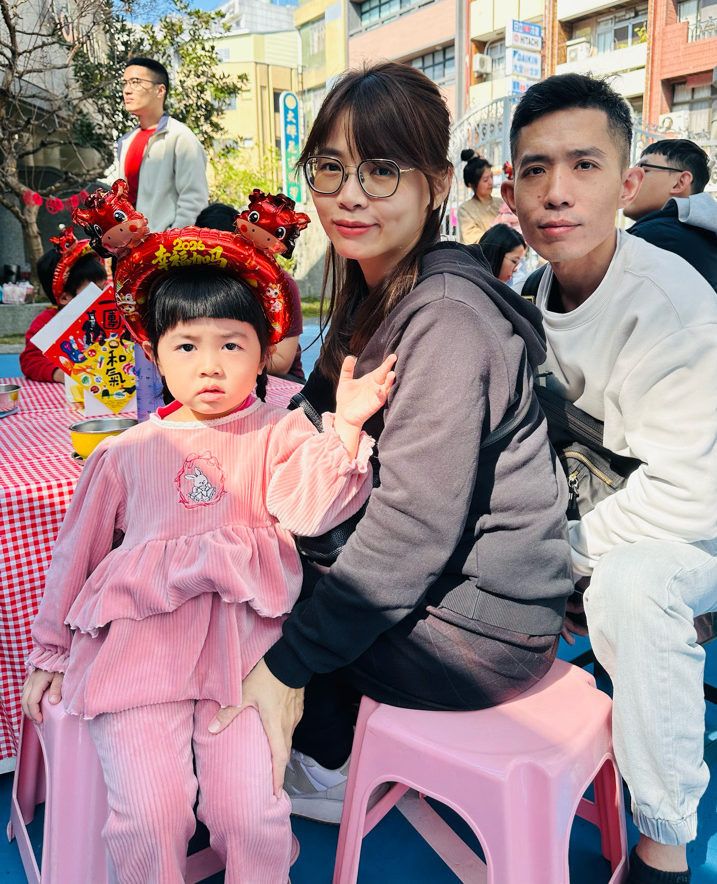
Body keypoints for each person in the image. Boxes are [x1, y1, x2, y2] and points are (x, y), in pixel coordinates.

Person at [207, 61, 573, 825]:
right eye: (330, 168)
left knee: (235, 601)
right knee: (225, 546)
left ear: (435, 185)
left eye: (380, 170)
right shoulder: (375, 291)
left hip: (480, 631)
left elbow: (411, 533)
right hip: (446, 593)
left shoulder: (446, 320)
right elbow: (311, 411)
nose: (349, 194)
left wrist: (286, 665)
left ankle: (325, 759)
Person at [22, 252, 393, 884]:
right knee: (151, 815)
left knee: (250, 814)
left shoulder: (280, 433)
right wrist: (52, 650)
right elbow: (75, 556)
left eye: (232, 344)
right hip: (141, 657)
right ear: (155, 355)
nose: (210, 365)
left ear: (264, 354)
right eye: (187, 346)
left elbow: (309, 510)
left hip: (246, 659)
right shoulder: (124, 452)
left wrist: (348, 428)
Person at [501, 72, 717, 884]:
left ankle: (663, 843)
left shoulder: (673, 307)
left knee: (633, 586)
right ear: (510, 192)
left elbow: (685, 500)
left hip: (702, 533)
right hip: (580, 511)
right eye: (536, 169)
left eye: (584, 165)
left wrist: (552, 557)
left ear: (627, 184)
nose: (557, 191)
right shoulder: (526, 293)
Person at [622, 139, 717, 309]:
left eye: (644, 169)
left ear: (680, 182)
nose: (628, 178)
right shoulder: (691, 234)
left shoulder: (656, 235)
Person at [195, 203, 306, 383]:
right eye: (210, 254)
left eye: (228, 251)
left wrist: (227, 356)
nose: (220, 262)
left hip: (278, 379)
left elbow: (281, 362)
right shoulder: (192, 282)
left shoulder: (277, 285)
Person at [117, 57, 209, 231]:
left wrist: (170, 241)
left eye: (135, 82)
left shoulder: (180, 137)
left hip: (164, 244)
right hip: (128, 243)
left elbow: (194, 200)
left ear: (160, 91)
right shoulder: (126, 141)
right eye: (125, 83)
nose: (127, 90)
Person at [20, 240, 106, 383]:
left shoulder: (104, 316)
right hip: (67, 390)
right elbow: (30, 361)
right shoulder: (47, 323)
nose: (102, 297)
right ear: (64, 297)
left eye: (103, 289)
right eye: (93, 291)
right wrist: (59, 374)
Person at [457, 148, 502, 244]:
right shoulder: (465, 210)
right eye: (485, 180)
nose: (490, 182)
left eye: (491, 177)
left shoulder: (501, 203)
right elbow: (475, 240)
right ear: (472, 185)